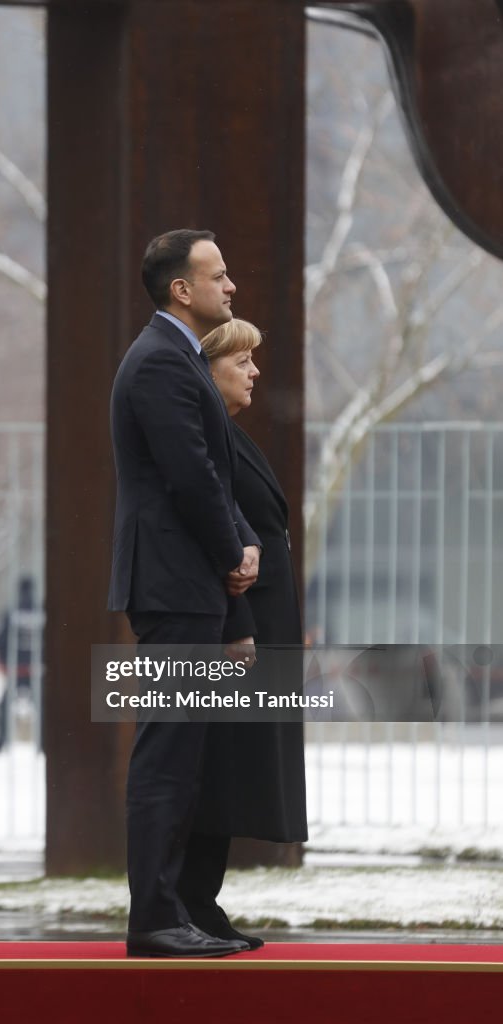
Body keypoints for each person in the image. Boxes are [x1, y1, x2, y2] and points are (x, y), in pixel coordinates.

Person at [108, 229, 261, 958]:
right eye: (218, 275)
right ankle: (155, 920)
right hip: (173, 584)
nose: (229, 287)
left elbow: (210, 473)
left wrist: (234, 550)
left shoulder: (174, 359)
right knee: (167, 754)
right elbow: (191, 475)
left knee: (184, 754)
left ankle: (175, 912)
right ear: (181, 289)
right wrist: (234, 551)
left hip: (187, 582)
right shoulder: (160, 363)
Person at [182, 318, 307, 943]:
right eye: (243, 363)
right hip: (240, 633)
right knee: (217, 769)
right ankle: (192, 905)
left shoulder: (230, 435)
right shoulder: (210, 440)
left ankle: (203, 904)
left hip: (261, 630)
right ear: (208, 372)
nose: (255, 372)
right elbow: (216, 541)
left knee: (230, 770)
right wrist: (245, 623)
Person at [0, 575, 44, 753]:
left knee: (4, 707)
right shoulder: (41, 611)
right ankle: (44, 742)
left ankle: (1, 741)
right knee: (43, 708)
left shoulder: (11, 612)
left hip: (15, 669)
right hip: (37, 670)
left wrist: (2, 660)